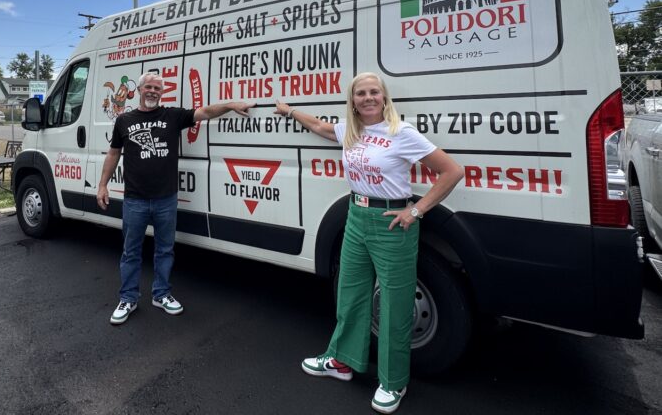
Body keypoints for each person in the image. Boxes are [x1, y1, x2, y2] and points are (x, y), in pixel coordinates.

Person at [275, 72, 463, 414]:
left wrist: (416, 210)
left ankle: (394, 382)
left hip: (392, 222)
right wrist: (290, 112)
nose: (368, 98)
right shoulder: (351, 131)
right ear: (353, 101)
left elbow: (451, 171)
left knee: (394, 304)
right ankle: (342, 362)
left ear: (384, 97)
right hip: (356, 216)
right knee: (351, 293)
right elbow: (318, 126)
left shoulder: (401, 133)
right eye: (360, 93)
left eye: (374, 92)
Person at [97, 72, 254, 325]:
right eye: (148, 87)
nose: (152, 91)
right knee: (131, 252)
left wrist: (231, 105)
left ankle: (161, 294)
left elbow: (205, 112)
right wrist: (102, 185)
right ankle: (128, 298)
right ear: (139, 90)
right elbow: (113, 153)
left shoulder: (172, 116)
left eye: (157, 88)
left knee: (165, 249)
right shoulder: (124, 120)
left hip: (165, 199)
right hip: (134, 199)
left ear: (162, 92)